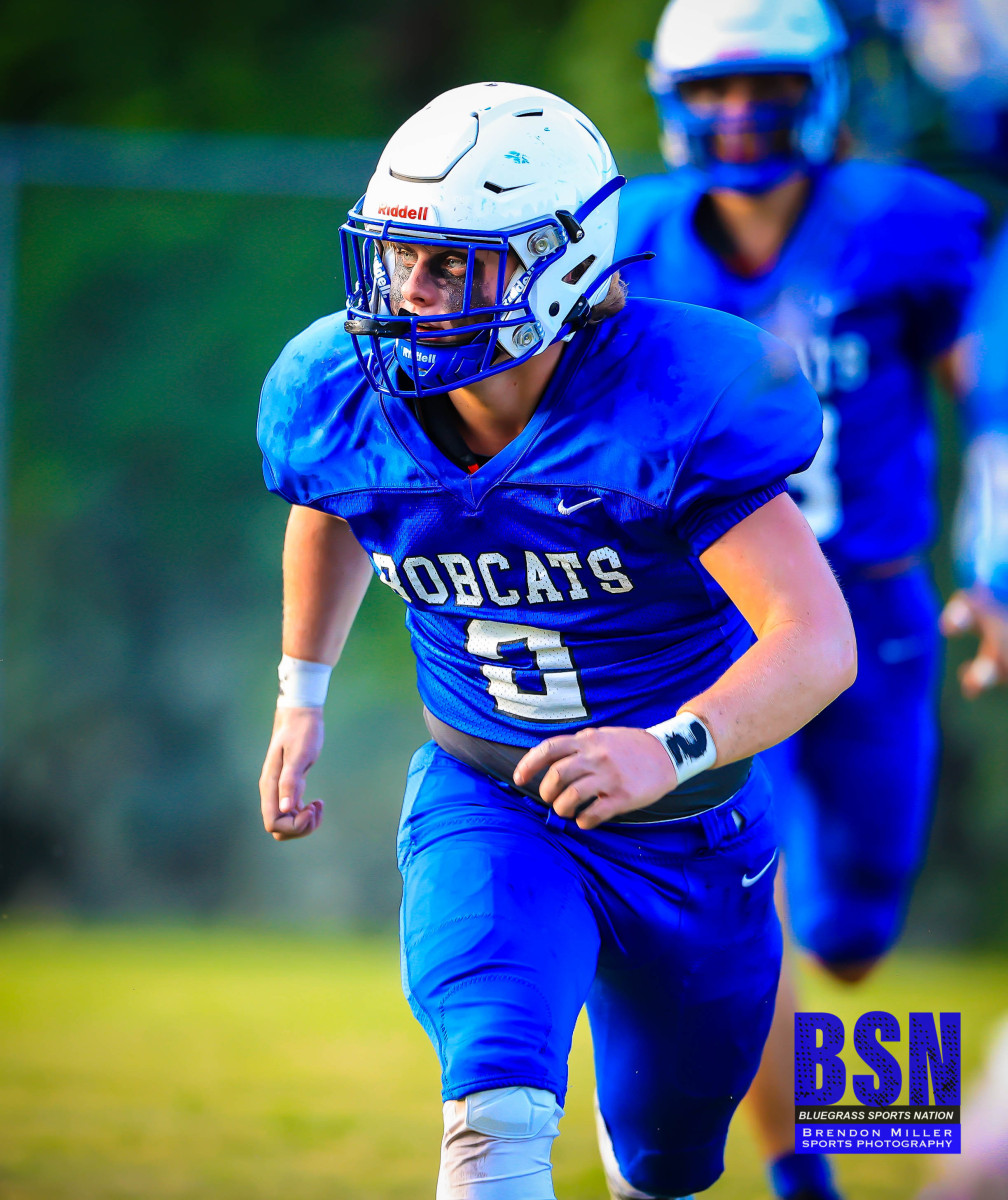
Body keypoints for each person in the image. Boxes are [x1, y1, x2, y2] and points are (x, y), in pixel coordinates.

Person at [257, 81, 856, 1200]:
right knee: (494, 1101)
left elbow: (818, 640)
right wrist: (301, 692)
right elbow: (331, 504)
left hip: (688, 822)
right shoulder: (338, 388)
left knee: (669, 1156)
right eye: (401, 256)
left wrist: (667, 748)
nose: (411, 292)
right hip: (491, 793)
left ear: (561, 266)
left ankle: (811, 1158)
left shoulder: (670, 398)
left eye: (452, 265)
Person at [615, 2, 1008, 1198]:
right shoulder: (628, 239)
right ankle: (803, 1171)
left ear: (823, 87)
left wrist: (994, 567)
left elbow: (991, 404)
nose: (739, 115)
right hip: (712, 626)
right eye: (713, 90)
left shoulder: (908, 225)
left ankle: (879, 1121)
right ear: (670, 96)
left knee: (849, 938)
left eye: (768, 86)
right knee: (750, 897)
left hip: (874, 616)